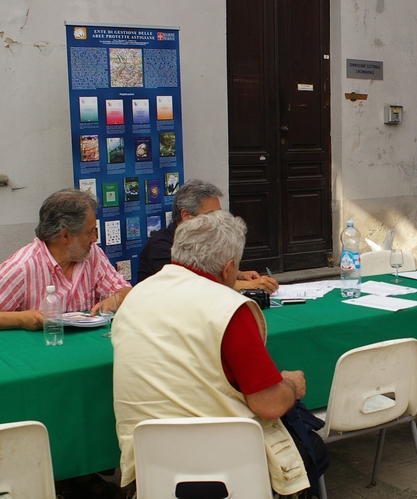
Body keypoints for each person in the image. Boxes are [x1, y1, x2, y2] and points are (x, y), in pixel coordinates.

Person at [113, 211, 326, 496]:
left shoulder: (136, 296)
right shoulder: (228, 307)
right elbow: (269, 405)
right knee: (313, 447)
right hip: (223, 464)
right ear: (228, 269)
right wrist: (290, 386)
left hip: (149, 464)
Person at [0, 188, 130, 331]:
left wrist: (116, 299)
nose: (95, 238)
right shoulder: (23, 266)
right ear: (65, 236)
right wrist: (21, 319)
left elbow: (126, 291)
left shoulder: (91, 254)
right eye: (89, 232)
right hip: (38, 354)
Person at [137, 179, 278, 294]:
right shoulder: (160, 247)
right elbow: (192, 285)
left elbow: (207, 271)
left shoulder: (202, 240)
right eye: (211, 215)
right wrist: (248, 285)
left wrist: (237, 274)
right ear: (186, 216)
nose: (218, 221)